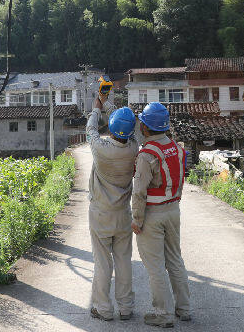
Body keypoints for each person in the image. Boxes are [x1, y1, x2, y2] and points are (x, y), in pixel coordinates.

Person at [131, 102, 191, 328]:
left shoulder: (146, 155)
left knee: (155, 266)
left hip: (152, 215)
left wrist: (137, 220)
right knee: (175, 259)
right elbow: (180, 181)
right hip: (173, 210)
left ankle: (162, 314)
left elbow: (139, 191)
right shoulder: (177, 148)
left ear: (146, 128)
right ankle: (184, 309)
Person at [86, 92, 139, 321]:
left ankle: (103, 308)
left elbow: (91, 130)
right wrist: (107, 103)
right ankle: (126, 308)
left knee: (102, 262)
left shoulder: (101, 149)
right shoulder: (134, 148)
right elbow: (123, 127)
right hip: (123, 214)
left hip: (100, 214)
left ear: (112, 129)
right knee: (123, 261)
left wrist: (97, 107)